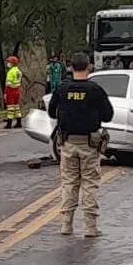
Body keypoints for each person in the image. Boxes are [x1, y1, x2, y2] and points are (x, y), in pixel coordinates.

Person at [47, 52, 113, 237]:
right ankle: (90, 227)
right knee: (90, 184)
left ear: (71, 68)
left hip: (67, 143)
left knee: (69, 183)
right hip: (89, 144)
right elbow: (108, 115)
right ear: (89, 67)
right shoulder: (95, 90)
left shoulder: (62, 89)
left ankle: (66, 225)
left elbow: (52, 112)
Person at [4, 55, 23, 129]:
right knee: (16, 107)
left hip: (10, 91)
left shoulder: (11, 72)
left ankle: (9, 123)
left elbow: (8, 83)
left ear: (12, 63)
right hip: (17, 90)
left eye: (9, 62)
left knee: (10, 107)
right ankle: (19, 122)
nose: (8, 63)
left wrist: (5, 92)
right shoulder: (18, 71)